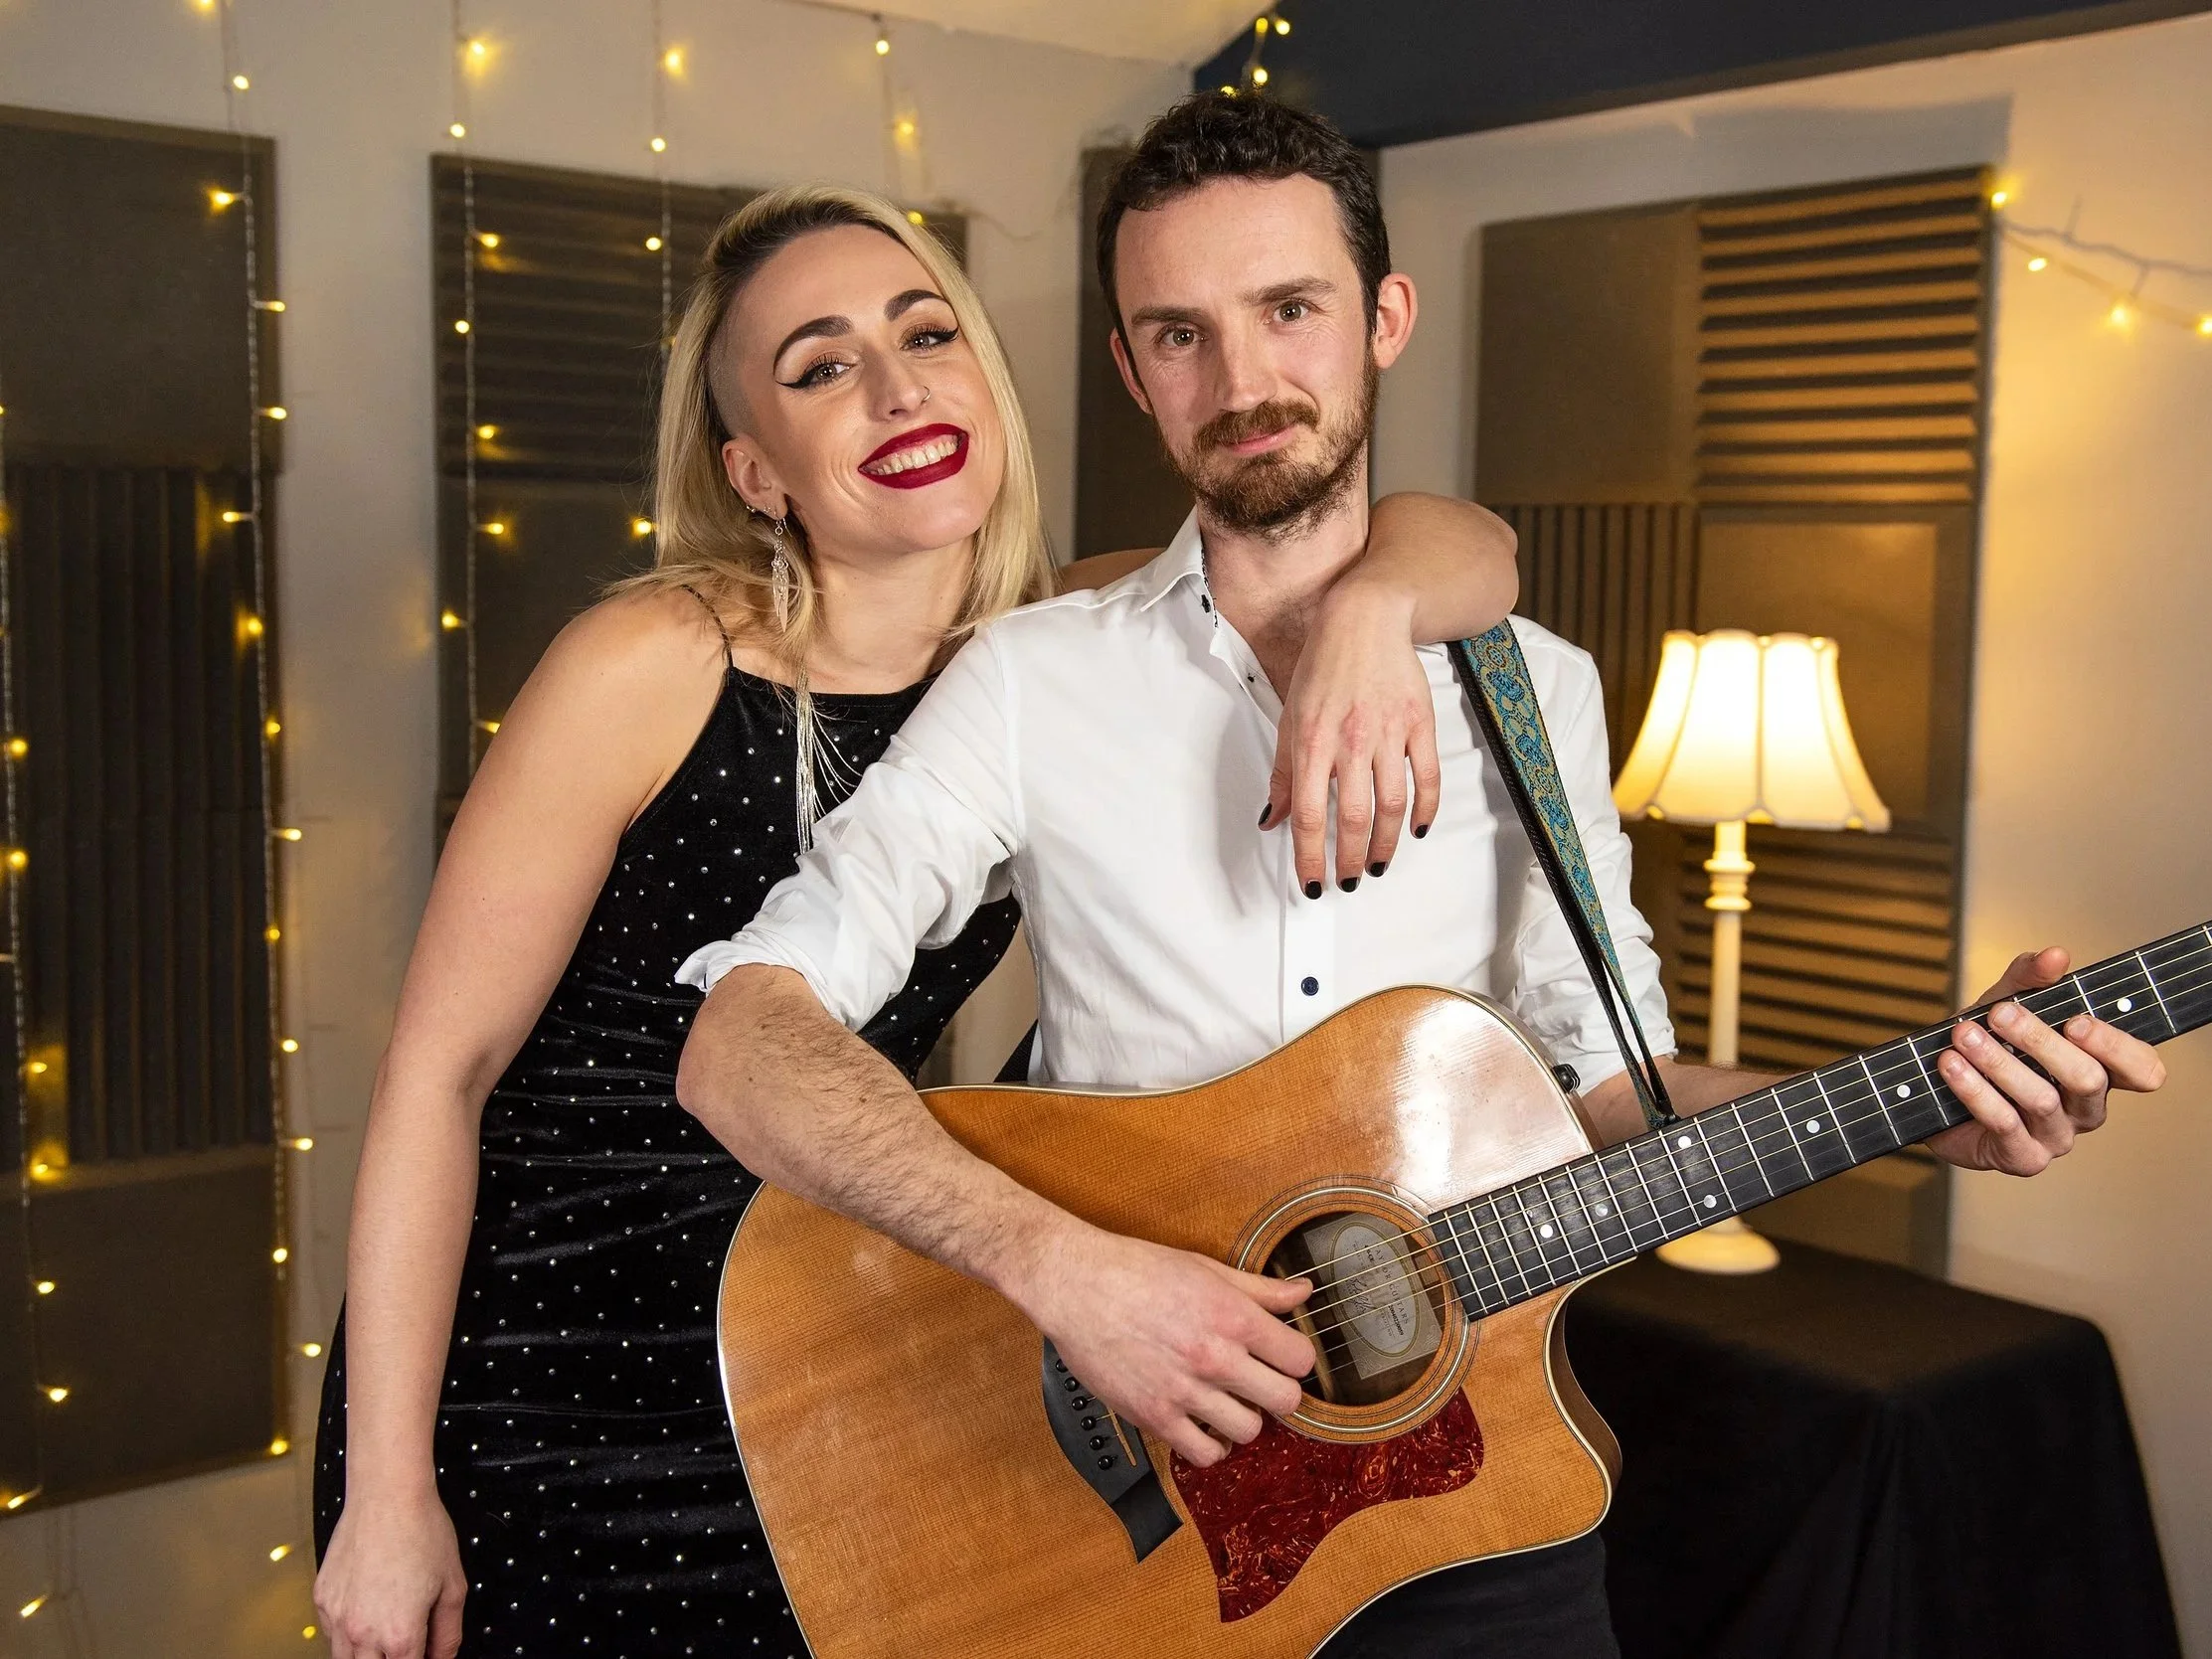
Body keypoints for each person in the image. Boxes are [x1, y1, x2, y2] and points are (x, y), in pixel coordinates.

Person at [671, 97, 2168, 1658]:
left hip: (1468, 1513)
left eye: (1290, 310)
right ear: (1127, 369)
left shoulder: (1542, 694)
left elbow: (1611, 1104)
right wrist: (1070, 1274)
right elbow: (741, 1040)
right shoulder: (1031, 683)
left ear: (1385, 317)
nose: (1243, 382)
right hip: (1132, 1525)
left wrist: (1937, 1102)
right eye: (1179, 335)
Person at [308, 181, 1522, 1659]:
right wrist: (386, 1491)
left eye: (926, 332)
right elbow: (438, 1082)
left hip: (836, 1355)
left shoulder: (1058, 652)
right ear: (758, 471)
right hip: (546, 1368)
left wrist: (1369, 612)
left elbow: (1469, 544)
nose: (897, 389)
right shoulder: (651, 660)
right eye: (822, 367)